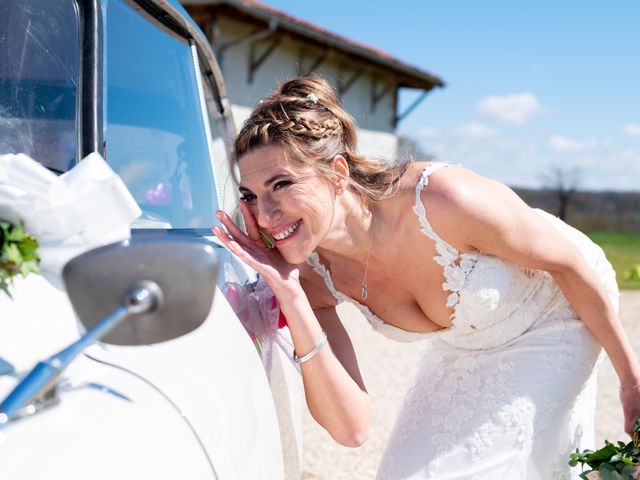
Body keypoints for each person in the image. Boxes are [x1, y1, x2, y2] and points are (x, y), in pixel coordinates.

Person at [212, 75, 640, 479]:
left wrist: (631, 382)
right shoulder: (312, 277)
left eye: (282, 184)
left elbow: (570, 265)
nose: (265, 217)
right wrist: (292, 296)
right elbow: (351, 428)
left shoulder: (444, 199)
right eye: (250, 196)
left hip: (555, 306)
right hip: (467, 340)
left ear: (337, 174)